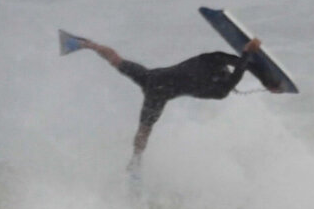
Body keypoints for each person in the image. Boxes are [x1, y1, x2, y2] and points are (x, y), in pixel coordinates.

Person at [69, 36, 270, 171]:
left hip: (150, 78)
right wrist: (255, 65)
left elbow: (236, 68)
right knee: (144, 129)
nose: (227, 70)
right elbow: (236, 71)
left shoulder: (210, 62)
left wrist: (247, 54)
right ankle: (135, 161)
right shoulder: (219, 87)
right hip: (156, 93)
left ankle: (84, 43)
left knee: (116, 60)